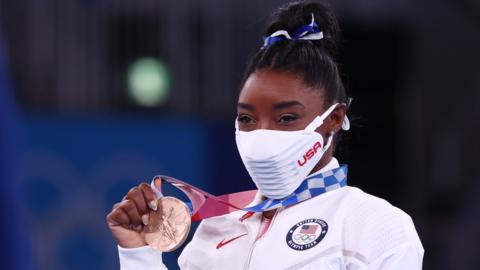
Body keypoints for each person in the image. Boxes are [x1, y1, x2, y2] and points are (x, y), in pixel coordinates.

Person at [106, 1, 424, 269]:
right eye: (247, 118)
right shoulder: (215, 230)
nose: (262, 135)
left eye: (286, 118)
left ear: (334, 119)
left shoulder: (375, 225)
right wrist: (138, 253)